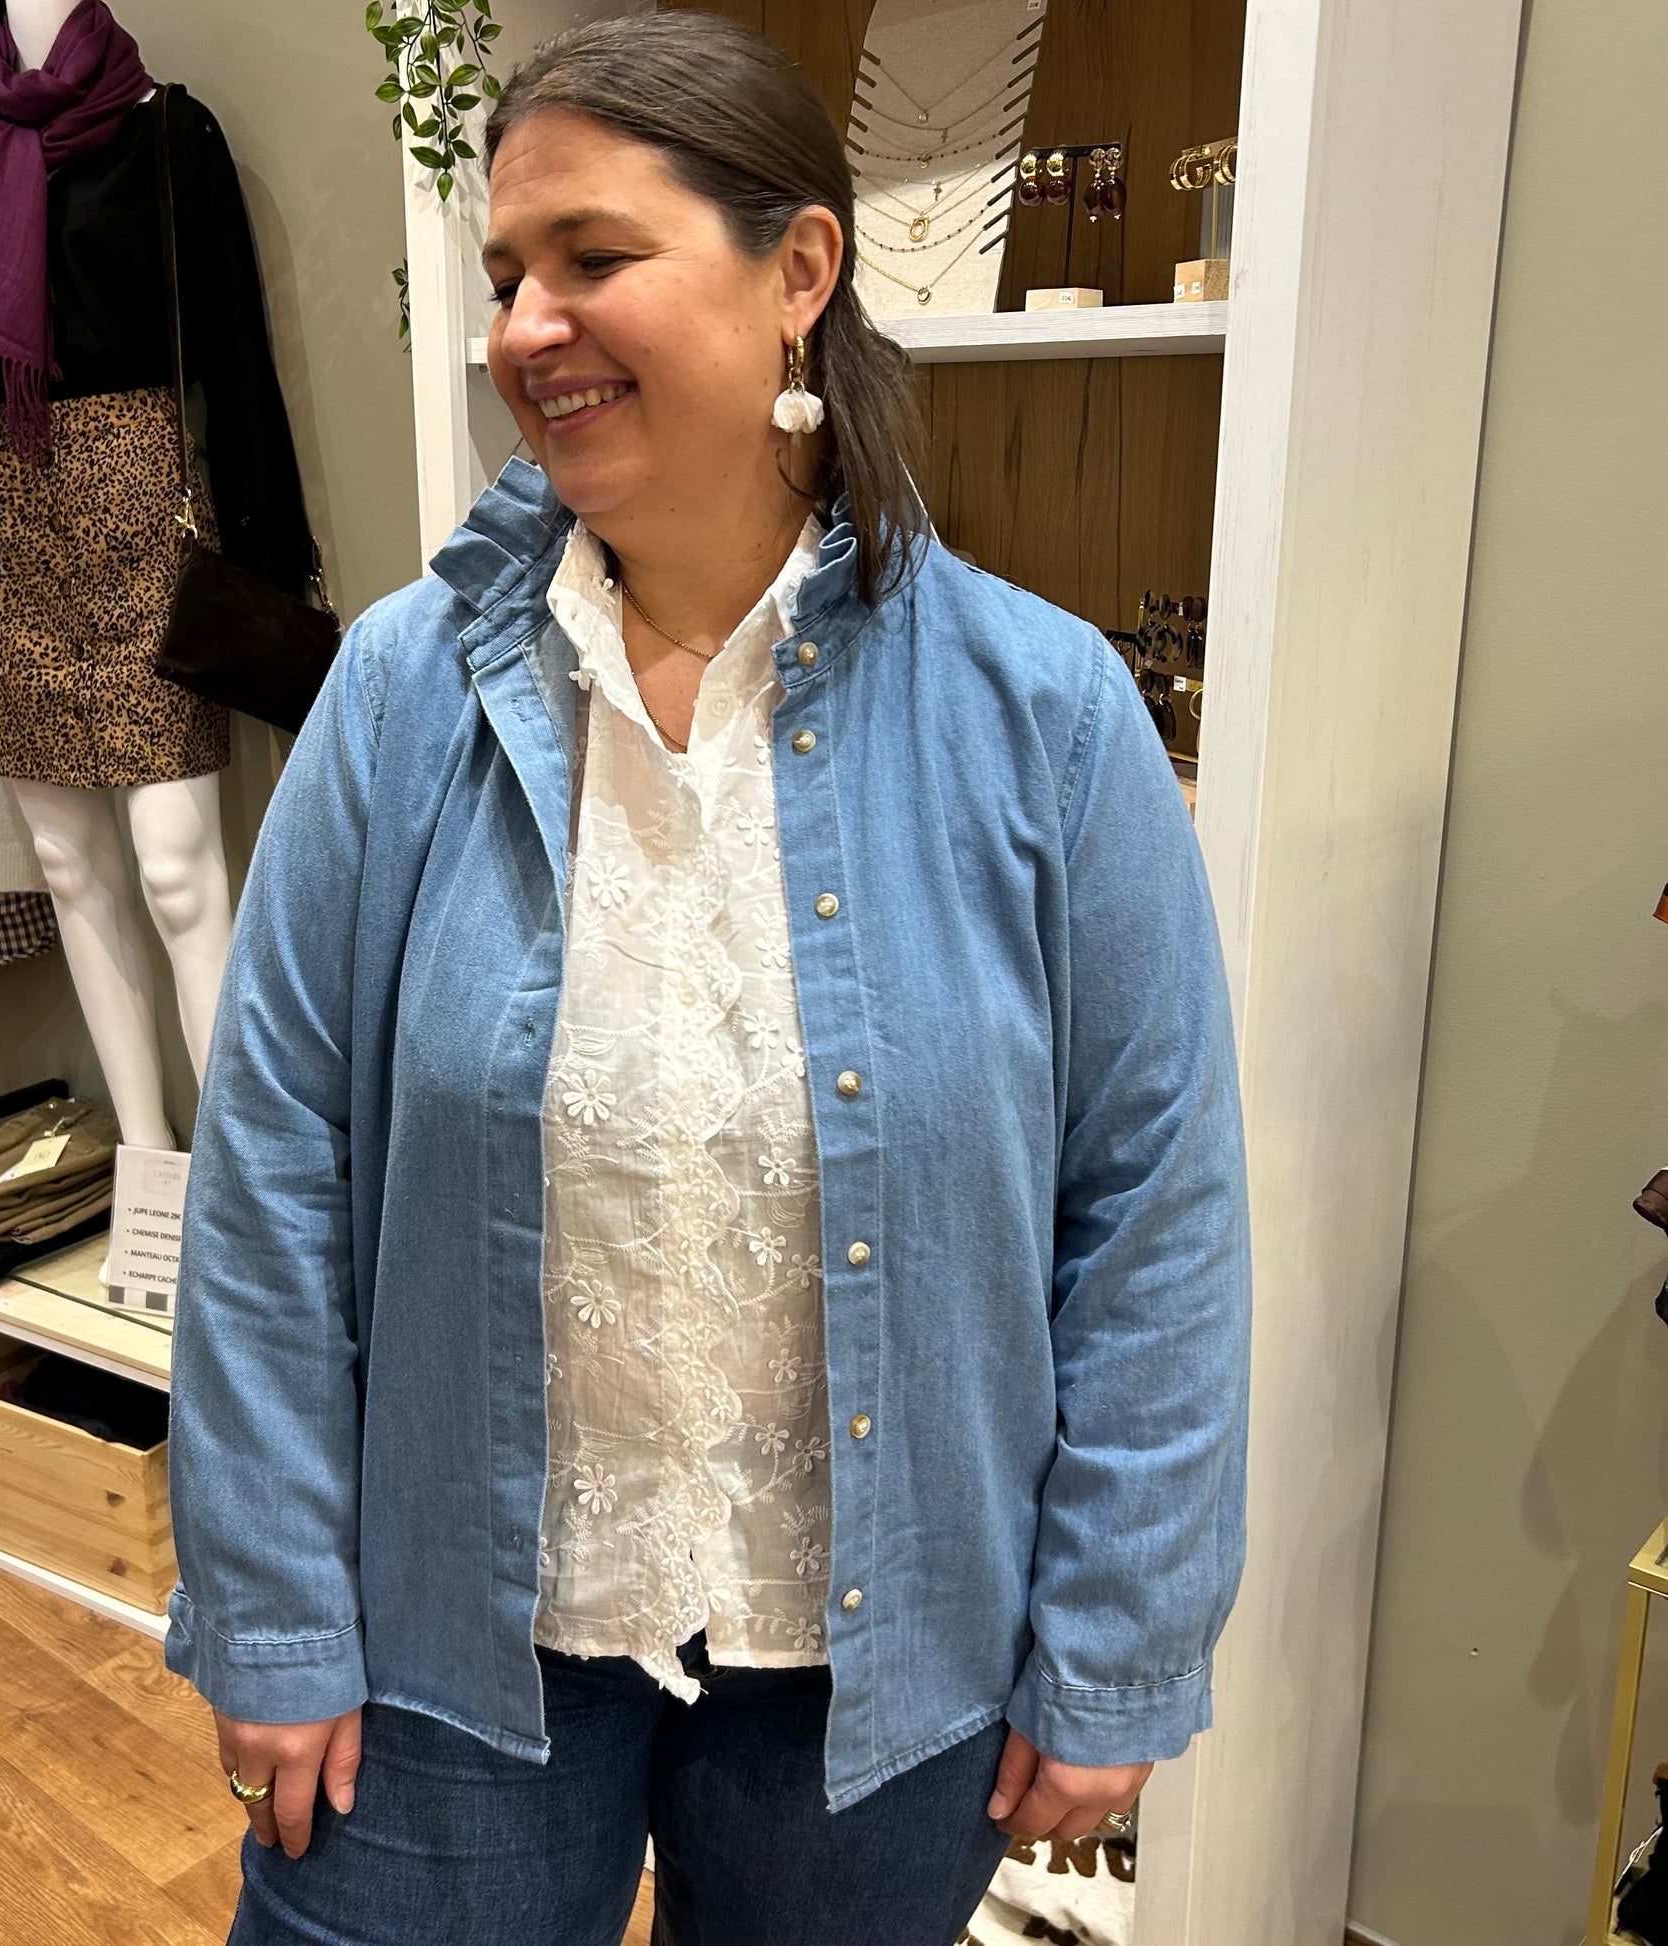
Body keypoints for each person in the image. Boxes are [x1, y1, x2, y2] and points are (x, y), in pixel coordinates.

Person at [162, 14, 1251, 1945]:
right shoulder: (401, 696)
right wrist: (270, 1608)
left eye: (593, 256)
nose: (526, 328)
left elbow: (1151, 1218)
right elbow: (272, 1179)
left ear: (798, 272)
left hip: (881, 1672)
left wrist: (1111, 1643)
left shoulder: (1042, 714)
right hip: (451, 1637)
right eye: (508, 273)